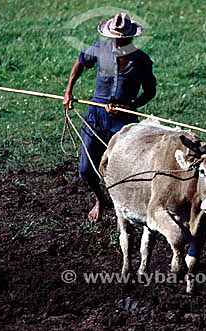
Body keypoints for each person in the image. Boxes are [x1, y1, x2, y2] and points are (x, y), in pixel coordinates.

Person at [63, 13, 156, 222]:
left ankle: (128, 206)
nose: (118, 42)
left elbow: (150, 91)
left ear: (131, 38)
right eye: (115, 38)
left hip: (124, 122)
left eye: (123, 39)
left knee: (127, 168)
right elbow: (79, 63)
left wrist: (130, 106)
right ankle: (99, 199)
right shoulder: (99, 48)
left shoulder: (141, 60)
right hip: (95, 115)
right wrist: (68, 92)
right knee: (86, 169)